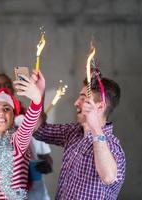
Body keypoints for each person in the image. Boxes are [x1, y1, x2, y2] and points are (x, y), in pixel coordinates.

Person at [33, 69, 126, 199]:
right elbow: (38, 130)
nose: (76, 103)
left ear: (100, 107)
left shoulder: (112, 145)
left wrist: (95, 128)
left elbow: (108, 177)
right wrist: (39, 94)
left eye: (83, 99)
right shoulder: (73, 132)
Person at [0, 72, 52, 200]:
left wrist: (41, 165)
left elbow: (47, 160)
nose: (3, 89)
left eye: (7, 85)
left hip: (32, 188)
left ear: (13, 90)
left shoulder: (26, 119)